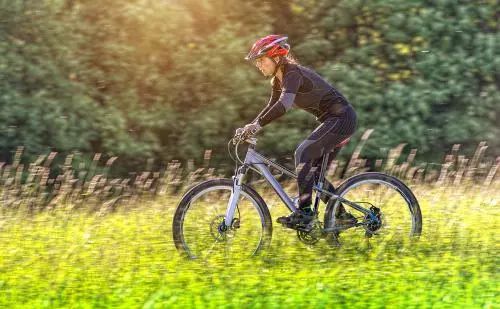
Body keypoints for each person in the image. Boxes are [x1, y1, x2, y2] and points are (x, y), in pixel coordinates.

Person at [239, 34, 358, 229]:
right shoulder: (278, 80)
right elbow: (272, 105)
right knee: (316, 175)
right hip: (333, 120)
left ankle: (305, 213)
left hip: (342, 119)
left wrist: (257, 125)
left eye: (261, 60)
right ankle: (342, 217)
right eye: (257, 62)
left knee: (302, 153)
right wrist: (251, 126)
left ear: (276, 57)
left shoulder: (292, 73)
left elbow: (284, 105)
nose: (258, 65)